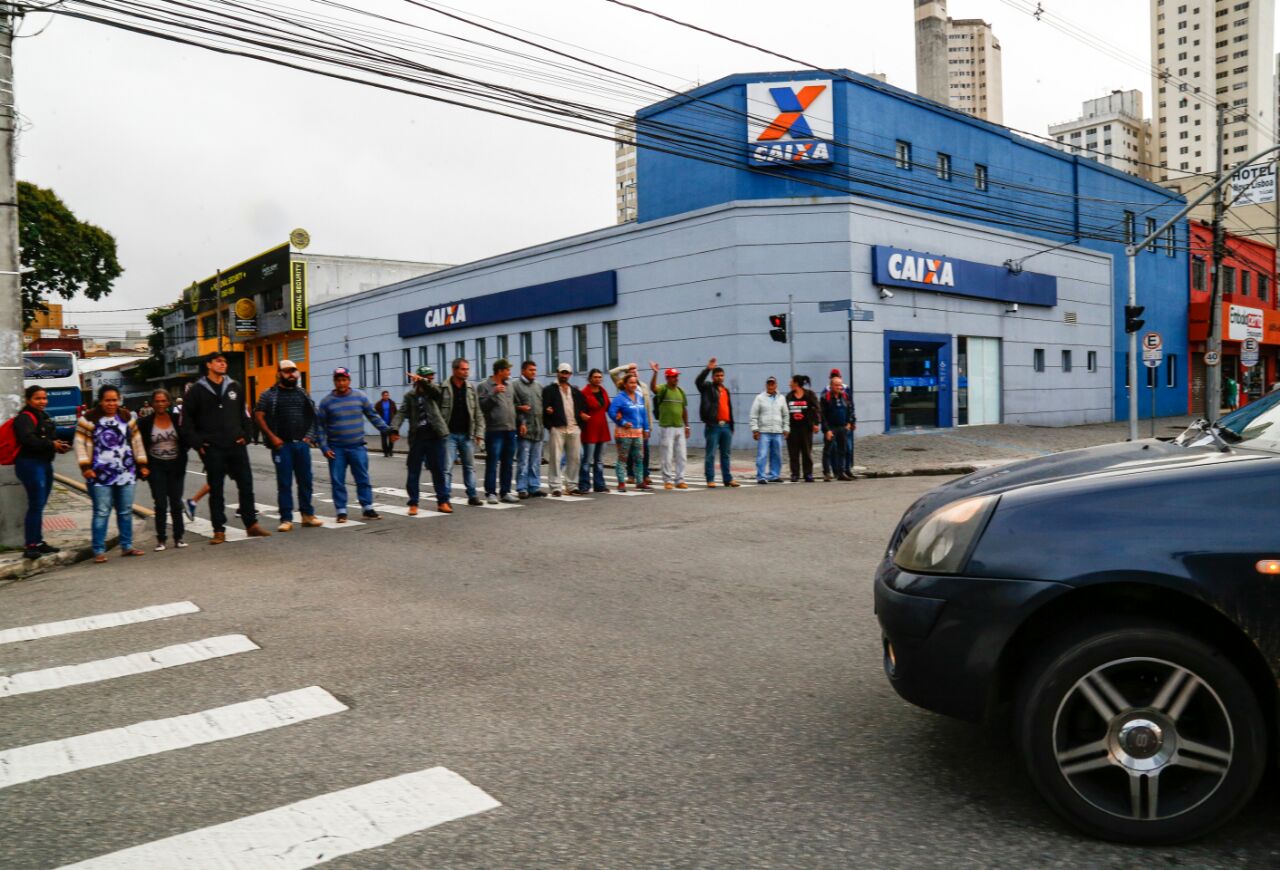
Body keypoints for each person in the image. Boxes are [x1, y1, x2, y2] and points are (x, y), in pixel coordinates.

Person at [183, 351, 271, 544]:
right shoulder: (197, 390)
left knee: (246, 485)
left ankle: (251, 524)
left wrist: (246, 436)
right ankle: (218, 530)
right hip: (213, 447)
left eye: (224, 361)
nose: (223, 364)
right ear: (209, 364)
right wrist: (198, 443)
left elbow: (245, 414)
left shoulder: (234, 386)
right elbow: (187, 422)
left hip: (236, 445)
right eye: (218, 361)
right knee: (216, 489)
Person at [75, 386, 148, 563]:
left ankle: (127, 546)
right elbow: (79, 444)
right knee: (101, 512)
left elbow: (137, 441)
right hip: (99, 475)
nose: (111, 403)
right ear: (100, 401)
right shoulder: (88, 419)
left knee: (125, 511)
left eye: (114, 400)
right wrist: (86, 468)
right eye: (107, 400)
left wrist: (142, 463)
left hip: (126, 472)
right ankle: (98, 550)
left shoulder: (126, 417)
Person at [316, 366, 397, 522]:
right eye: (338, 380)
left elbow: (374, 417)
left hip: (357, 446)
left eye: (344, 380)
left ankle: (367, 508)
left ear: (349, 381)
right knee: (337, 480)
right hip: (336, 448)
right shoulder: (326, 402)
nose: (341, 383)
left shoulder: (360, 397)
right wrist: (324, 447)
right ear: (334, 381)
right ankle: (341, 511)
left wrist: (388, 431)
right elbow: (319, 427)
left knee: (363, 478)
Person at [254, 360, 325, 531]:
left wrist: (308, 438)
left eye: (293, 371)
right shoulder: (269, 394)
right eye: (286, 371)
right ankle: (286, 519)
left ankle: (307, 515)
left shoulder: (302, 393)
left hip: (301, 445)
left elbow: (313, 416)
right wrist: (272, 437)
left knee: (306, 481)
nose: (291, 375)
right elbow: (258, 416)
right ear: (278, 374)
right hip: (281, 446)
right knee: (284, 483)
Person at [12, 385, 71, 560]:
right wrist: (51, 444)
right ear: (28, 400)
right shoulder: (24, 418)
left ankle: (38, 542)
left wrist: (58, 445)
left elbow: (47, 439)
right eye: (38, 398)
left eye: (44, 398)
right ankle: (30, 546)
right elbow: (29, 440)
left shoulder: (43, 416)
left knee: (40, 504)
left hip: (44, 463)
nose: (42, 401)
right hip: (29, 464)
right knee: (36, 504)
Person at [391, 366, 453, 514]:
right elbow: (402, 412)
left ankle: (442, 501)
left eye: (431, 377)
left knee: (438, 470)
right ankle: (413, 503)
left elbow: (437, 392)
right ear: (417, 379)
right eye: (427, 377)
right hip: (418, 437)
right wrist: (394, 428)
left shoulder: (434, 392)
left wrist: (425, 382)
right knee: (413, 471)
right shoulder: (410, 396)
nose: (430, 379)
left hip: (435, 436)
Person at [138, 389, 191, 550]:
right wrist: (142, 466)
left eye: (163, 401)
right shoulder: (145, 422)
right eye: (157, 401)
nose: (160, 404)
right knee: (160, 503)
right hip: (156, 467)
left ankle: (178, 537)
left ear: (169, 402)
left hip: (176, 466)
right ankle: (161, 539)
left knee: (176, 502)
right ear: (152, 403)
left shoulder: (177, 419)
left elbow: (186, 438)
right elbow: (138, 445)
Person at [441, 358, 485, 507]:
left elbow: (478, 412)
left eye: (467, 369)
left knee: (469, 466)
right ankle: (445, 497)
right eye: (463, 369)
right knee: (447, 468)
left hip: (467, 434)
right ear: (455, 370)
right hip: (449, 435)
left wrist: (479, 432)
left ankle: (472, 495)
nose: (466, 372)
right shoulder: (444, 387)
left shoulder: (471, 388)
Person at [476, 358, 519, 504]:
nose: (509, 372)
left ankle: (505, 491)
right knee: (493, 462)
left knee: (508, 462)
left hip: (510, 429)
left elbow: (514, 405)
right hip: (494, 430)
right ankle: (490, 493)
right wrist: (493, 393)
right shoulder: (484, 385)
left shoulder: (509, 385)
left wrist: (520, 423)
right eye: (507, 370)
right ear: (500, 371)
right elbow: (482, 407)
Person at [544, 362, 588, 496]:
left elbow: (582, 408)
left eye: (566, 373)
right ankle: (556, 486)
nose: (564, 375)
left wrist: (582, 419)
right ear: (557, 372)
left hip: (573, 427)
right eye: (562, 372)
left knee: (575, 458)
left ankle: (572, 485)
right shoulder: (549, 390)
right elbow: (543, 408)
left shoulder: (575, 391)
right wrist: (550, 425)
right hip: (558, 428)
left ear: (570, 374)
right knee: (555, 458)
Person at [695, 357, 739, 488]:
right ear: (713, 377)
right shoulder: (707, 387)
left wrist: (731, 425)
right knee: (711, 454)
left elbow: (729, 408)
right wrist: (708, 369)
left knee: (726, 454)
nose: (720, 377)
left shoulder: (726, 390)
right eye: (717, 375)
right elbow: (698, 381)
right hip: (713, 425)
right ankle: (710, 479)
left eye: (721, 375)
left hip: (726, 426)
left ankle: (728, 479)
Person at [609, 362, 653, 486]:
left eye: (634, 382)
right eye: (630, 383)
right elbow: (611, 411)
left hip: (638, 432)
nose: (633, 385)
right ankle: (621, 482)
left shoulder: (639, 396)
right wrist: (621, 421)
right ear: (625, 384)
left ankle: (640, 481)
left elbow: (643, 413)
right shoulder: (620, 397)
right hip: (624, 433)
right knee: (623, 458)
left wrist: (646, 429)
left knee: (639, 458)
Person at [649, 362, 690, 490]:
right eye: (673, 376)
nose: (676, 378)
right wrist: (655, 373)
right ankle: (667, 480)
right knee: (667, 455)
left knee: (681, 455)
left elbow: (684, 409)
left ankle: (680, 479)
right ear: (667, 378)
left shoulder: (680, 391)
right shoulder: (663, 388)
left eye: (676, 376)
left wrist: (687, 426)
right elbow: (653, 388)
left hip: (679, 427)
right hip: (667, 427)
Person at [513, 360, 546, 499]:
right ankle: (521, 487)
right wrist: (519, 410)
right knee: (523, 460)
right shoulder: (515, 386)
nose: (534, 372)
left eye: (535, 370)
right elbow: (511, 405)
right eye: (531, 370)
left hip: (538, 428)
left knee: (535, 461)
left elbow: (542, 404)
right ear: (523, 371)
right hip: (524, 429)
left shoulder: (538, 386)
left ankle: (534, 486)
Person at [577, 368, 612, 494]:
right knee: (587, 459)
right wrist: (581, 414)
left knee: (599, 460)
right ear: (590, 378)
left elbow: (609, 407)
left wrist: (619, 415)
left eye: (599, 377)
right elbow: (577, 409)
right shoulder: (584, 393)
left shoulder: (603, 392)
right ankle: (584, 484)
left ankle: (599, 484)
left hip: (602, 428)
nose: (598, 379)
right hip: (589, 430)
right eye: (595, 377)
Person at [749, 376, 789, 484]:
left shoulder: (781, 398)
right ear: (766, 385)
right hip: (764, 431)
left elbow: (785, 415)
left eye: (773, 384)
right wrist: (755, 430)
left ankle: (774, 475)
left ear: (776, 385)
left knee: (777, 455)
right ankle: (761, 476)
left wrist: (786, 428)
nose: (771, 386)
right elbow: (754, 415)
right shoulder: (759, 398)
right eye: (769, 384)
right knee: (762, 455)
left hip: (777, 431)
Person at [785, 374, 822, 483]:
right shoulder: (789, 396)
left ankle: (808, 474)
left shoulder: (809, 395)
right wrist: (785, 428)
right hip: (793, 429)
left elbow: (817, 409)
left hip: (806, 429)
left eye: (791, 381)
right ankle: (795, 474)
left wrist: (816, 423)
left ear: (796, 383)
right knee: (793, 453)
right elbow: (785, 412)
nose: (789, 384)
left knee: (806, 452)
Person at [820, 374, 857, 482]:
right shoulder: (825, 398)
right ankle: (827, 473)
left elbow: (850, 409)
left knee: (843, 450)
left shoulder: (845, 396)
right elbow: (822, 416)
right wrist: (826, 430)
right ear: (831, 386)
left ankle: (841, 473)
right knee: (828, 450)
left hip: (842, 427)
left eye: (840, 385)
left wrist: (850, 423)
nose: (839, 387)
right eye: (836, 385)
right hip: (831, 427)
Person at [374, 390, 398, 457]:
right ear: (382, 396)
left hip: (391, 424)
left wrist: (395, 421)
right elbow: (375, 414)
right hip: (382, 424)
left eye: (387, 395)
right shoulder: (378, 404)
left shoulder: (392, 403)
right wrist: (378, 422)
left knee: (391, 439)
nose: (386, 396)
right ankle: (385, 452)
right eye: (385, 395)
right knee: (384, 439)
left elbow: (396, 412)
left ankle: (390, 450)